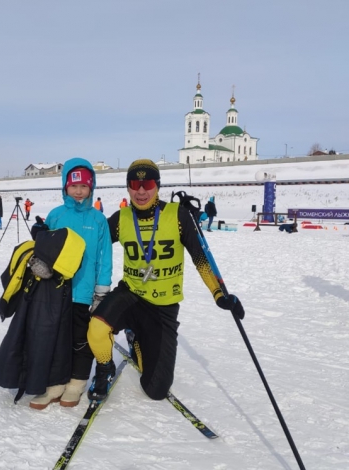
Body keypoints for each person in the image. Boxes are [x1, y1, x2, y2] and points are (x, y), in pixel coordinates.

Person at [86, 159, 245, 402]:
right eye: (134, 184)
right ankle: (105, 369)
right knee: (96, 329)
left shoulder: (177, 215)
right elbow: (92, 245)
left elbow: (200, 257)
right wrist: (54, 236)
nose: (141, 191)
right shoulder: (122, 218)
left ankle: (135, 339)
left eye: (147, 183)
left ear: (157, 185)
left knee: (156, 390)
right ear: (128, 187)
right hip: (130, 294)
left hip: (163, 306)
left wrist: (219, 294)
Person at [28, 157, 113, 410]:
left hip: (84, 292)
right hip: (56, 291)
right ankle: (56, 382)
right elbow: (44, 251)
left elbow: (104, 256)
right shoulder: (56, 215)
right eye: (73, 186)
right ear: (65, 187)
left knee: (80, 339)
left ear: (92, 188)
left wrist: (101, 290)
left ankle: (76, 382)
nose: (78, 191)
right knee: (56, 338)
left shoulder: (98, 220)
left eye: (84, 186)